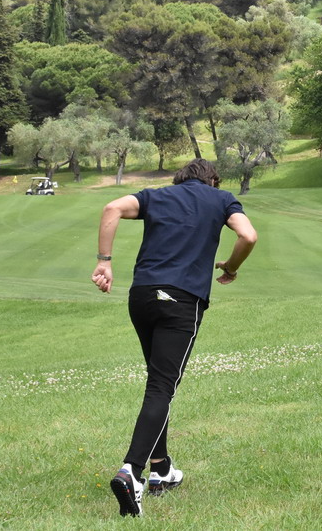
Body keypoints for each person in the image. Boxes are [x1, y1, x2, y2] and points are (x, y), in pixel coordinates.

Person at [91, 158, 258, 517]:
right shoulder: (222, 199)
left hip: (142, 296)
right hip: (181, 300)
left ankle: (161, 469)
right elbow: (248, 236)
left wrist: (104, 261)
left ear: (180, 179)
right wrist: (231, 268)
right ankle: (131, 472)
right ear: (212, 180)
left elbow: (112, 207)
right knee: (162, 387)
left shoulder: (157, 196)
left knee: (157, 381)